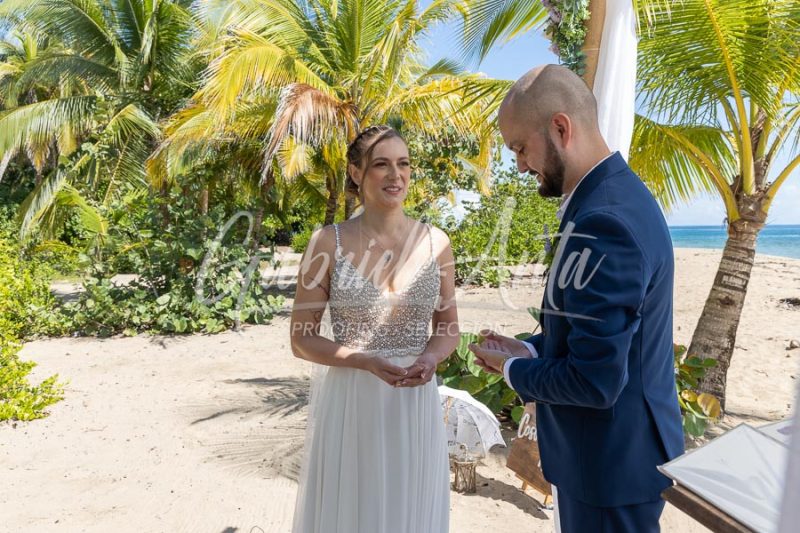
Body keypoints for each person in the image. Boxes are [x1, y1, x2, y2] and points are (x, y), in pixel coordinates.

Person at [469, 65, 684, 532]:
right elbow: (594, 332)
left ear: (561, 128)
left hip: (608, 467)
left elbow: (595, 381)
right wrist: (529, 348)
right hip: (610, 456)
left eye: (521, 148)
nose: (521, 165)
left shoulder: (603, 221)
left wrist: (511, 370)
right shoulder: (610, 199)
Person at [289, 125, 459, 533]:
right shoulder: (326, 242)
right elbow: (301, 338)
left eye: (403, 164)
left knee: (409, 510)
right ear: (356, 173)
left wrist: (431, 357)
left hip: (414, 402)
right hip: (353, 401)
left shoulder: (437, 242)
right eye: (381, 165)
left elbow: (449, 327)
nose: (395, 175)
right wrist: (362, 360)